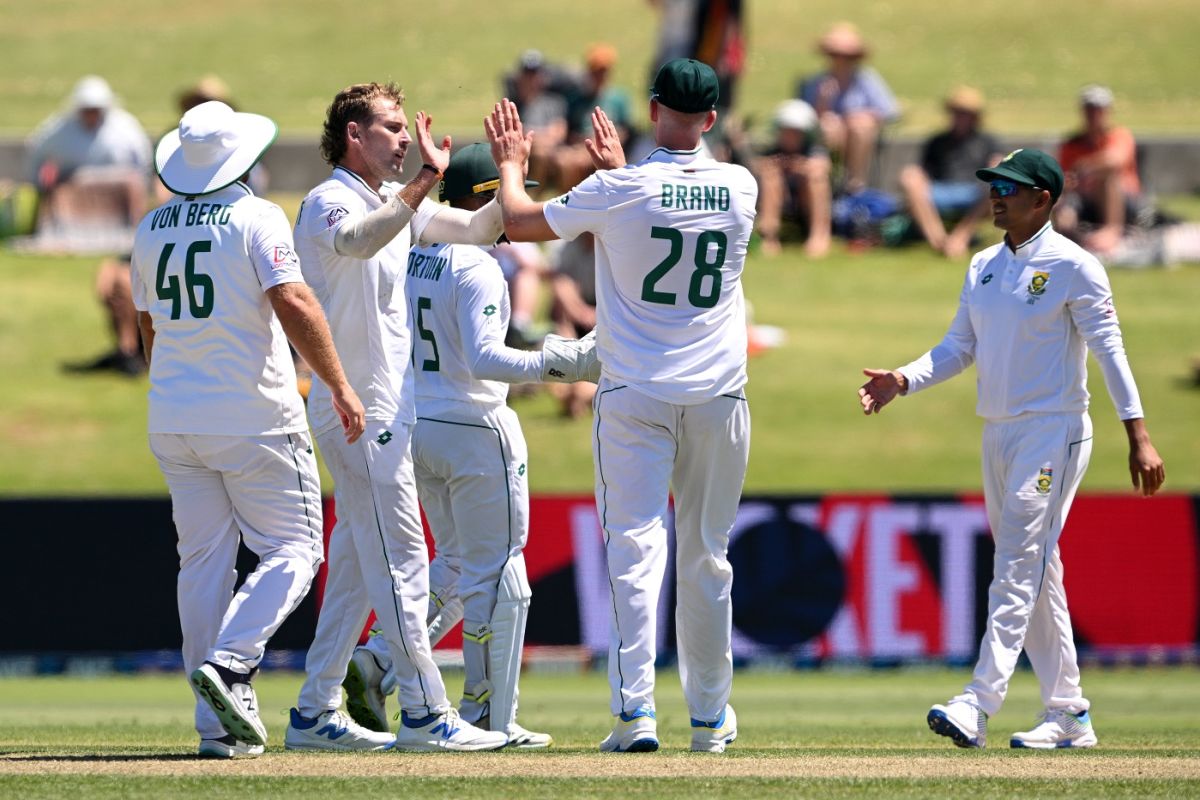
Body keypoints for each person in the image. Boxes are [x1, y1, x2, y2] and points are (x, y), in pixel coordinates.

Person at [284, 83, 591, 753]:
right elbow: (362, 242)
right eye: (390, 128)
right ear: (353, 136)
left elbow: (482, 228)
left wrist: (508, 171)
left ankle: (314, 708)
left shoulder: (394, 207)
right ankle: (425, 713)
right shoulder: (329, 201)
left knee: (362, 568)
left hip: (388, 410)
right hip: (359, 406)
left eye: (404, 127)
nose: (402, 137)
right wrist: (426, 177)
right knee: (404, 560)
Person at [485, 57, 756, 754]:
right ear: (714, 119)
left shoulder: (619, 188)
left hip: (636, 390)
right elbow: (668, 197)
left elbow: (516, 222)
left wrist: (514, 160)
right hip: (718, 394)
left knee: (636, 552)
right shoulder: (741, 186)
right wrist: (615, 176)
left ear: (654, 105)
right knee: (707, 557)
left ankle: (635, 714)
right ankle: (709, 719)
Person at [858, 148, 1165, 750]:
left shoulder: (1076, 266)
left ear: (1043, 199)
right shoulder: (983, 266)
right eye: (994, 185)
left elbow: (1111, 352)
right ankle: (1070, 714)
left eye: (1011, 187)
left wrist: (1140, 435)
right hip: (998, 431)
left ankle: (978, 701)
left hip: (1054, 429)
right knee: (1036, 569)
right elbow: (957, 348)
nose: (997, 195)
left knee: (1017, 565)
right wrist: (903, 378)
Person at [130, 100, 365, 758]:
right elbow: (292, 299)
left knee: (202, 564)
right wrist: (340, 384)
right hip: (253, 414)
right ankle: (231, 663)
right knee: (296, 550)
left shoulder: (150, 228)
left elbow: (147, 326)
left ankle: (217, 729)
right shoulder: (256, 216)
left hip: (174, 417)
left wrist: (176, 387)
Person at [898, 85, 1002, 258]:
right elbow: (922, 171)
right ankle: (939, 240)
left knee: (998, 180)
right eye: (957, 112)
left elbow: (998, 164)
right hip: (941, 189)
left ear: (975, 117)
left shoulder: (988, 141)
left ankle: (960, 237)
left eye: (965, 113)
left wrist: (996, 166)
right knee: (909, 177)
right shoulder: (937, 141)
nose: (960, 117)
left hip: (976, 191)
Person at [796, 22, 898, 194]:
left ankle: (855, 184)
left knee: (861, 126)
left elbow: (889, 110)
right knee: (829, 126)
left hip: (859, 137)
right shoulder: (815, 82)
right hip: (829, 136)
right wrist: (822, 103)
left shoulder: (867, 79)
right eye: (836, 54)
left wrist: (859, 117)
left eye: (847, 56)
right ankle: (830, 180)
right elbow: (803, 118)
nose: (841, 60)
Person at [1056, 85, 1148, 255]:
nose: (1094, 115)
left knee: (1105, 175)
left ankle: (1112, 230)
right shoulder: (1071, 144)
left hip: (1124, 200)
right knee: (1061, 203)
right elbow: (1063, 177)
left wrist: (1085, 167)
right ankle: (1069, 237)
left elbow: (1115, 161)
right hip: (1084, 198)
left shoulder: (1118, 135)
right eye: (1089, 109)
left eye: (1098, 110)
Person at [753, 99, 832, 257]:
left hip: (805, 200)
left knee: (816, 178)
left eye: (795, 132)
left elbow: (823, 166)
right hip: (782, 199)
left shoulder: (813, 151)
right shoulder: (772, 151)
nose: (790, 136)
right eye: (786, 131)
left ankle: (819, 236)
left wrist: (800, 167)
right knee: (770, 176)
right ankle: (769, 237)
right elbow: (758, 166)